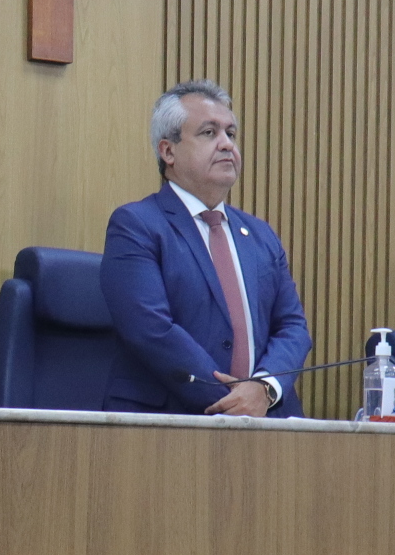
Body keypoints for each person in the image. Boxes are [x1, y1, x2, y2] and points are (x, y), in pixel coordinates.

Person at [98, 81, 310, 416]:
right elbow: (152, 330)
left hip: (266, 421)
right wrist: (232, 402)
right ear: (168, 151)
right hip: (168, 422)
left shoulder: (260, 235)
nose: (227, 144)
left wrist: (264, 390)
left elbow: (293, 327)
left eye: (231, 133)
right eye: (209, 133)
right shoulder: (136, 225)